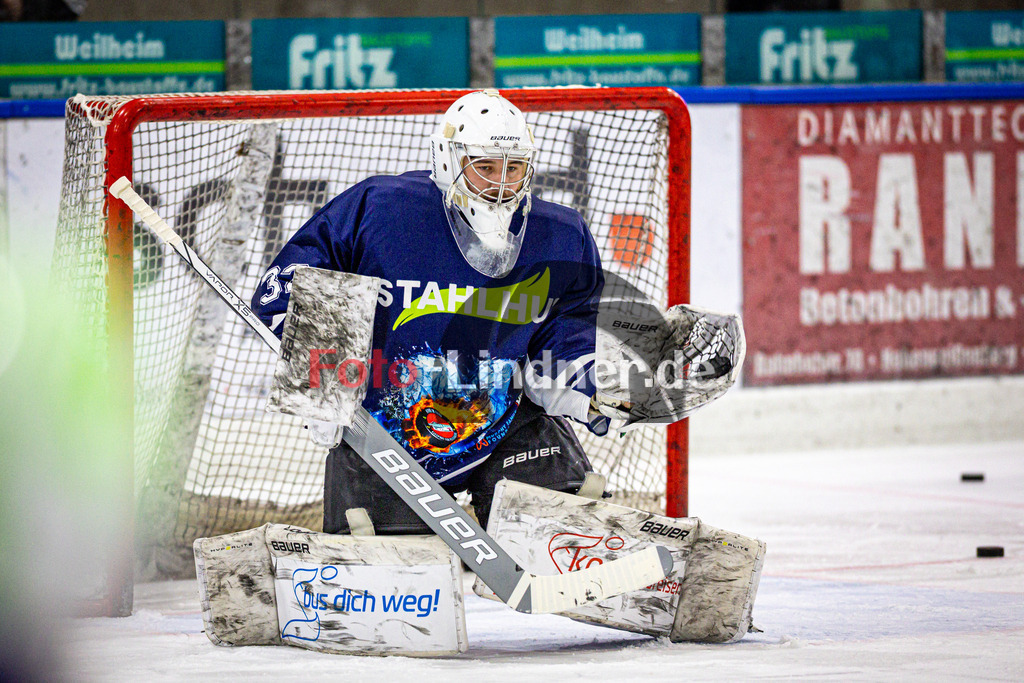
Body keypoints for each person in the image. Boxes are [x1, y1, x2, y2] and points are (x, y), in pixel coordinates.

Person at [252, 89, 617, 534]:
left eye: (514, 167)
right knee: (395, 568)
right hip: (383, 434)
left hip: (505, 427)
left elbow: (563, 340)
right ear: (448, 160)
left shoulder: (560, 234)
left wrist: (597, 392)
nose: (502, 184)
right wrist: (324, 390)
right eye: (485, 167)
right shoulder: (379, 209)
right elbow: (292, 288)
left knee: (563, 535)